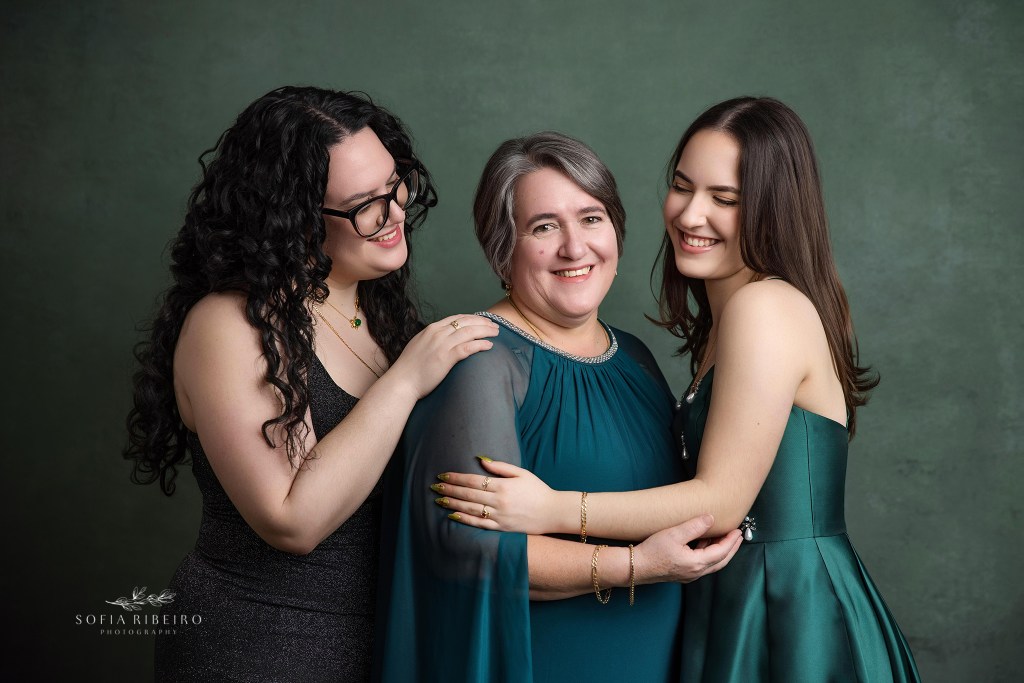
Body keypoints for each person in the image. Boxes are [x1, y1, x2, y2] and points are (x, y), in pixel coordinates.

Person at [439, 98, 922, 682]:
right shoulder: (724, 319)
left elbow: (720, 504)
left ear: (772, 208)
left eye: (725, 199)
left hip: (790, 606)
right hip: (735, 598)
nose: (691, 216)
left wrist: (553, 507)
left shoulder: (763, 306)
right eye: (683, 186)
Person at [123, 85, 498, 682]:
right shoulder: (233, 323)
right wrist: (404, 381)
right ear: (290, 221)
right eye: (362, 204)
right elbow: (291, 519)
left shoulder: (380, 310)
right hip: (260, 650)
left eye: (394, 184)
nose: (394, 213)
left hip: (381, 647)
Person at [375, 132, 742, 682]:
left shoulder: (634, 357)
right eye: (544, 226)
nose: (576, 248)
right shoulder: (480, 359)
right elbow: (470, 551)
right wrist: (636, 566)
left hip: (652, 657)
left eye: (591, 218)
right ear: (502, 248)